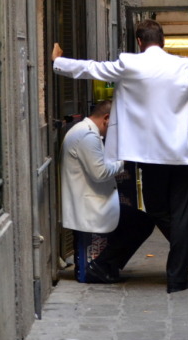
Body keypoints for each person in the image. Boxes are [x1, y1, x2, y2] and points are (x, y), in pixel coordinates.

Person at [52, 19, 188, 293]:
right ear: (163, 41)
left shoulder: (129, 64)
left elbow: (92, 68)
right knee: (180, 213)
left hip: (150, 152)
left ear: (139, 42)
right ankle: (184, 271)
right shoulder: (181, 66)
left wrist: (59, 62)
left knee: (156, 209)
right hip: (185, 152)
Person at [60, 99, 155, 284]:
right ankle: (101, 265)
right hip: (91, 205)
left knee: (140, 219)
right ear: (106, 118)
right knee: (143, 222)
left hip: (92, 200)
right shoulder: (87, 136)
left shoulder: (84, 132)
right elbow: (101, 173)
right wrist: (123, 160)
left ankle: (107, 265)